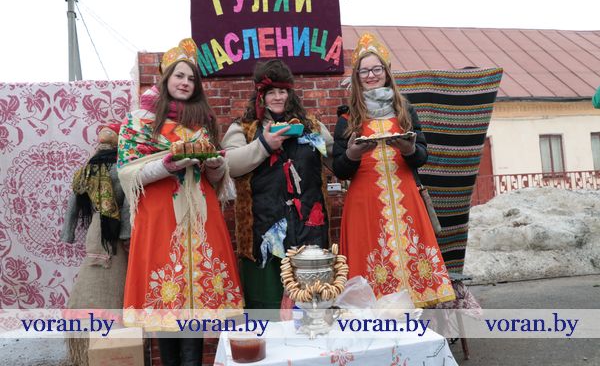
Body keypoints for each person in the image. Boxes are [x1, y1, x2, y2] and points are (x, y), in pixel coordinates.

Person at [117, 38, 243, 366]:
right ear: (165, 79)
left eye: (191, 78)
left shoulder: (202, 122)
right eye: (179, 76)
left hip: (200, 218)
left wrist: (216, 166)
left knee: (195, 299)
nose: (185, 82)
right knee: (166, 298)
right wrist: (168, 165)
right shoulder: (139, 121)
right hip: (161, 218)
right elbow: (127, 172)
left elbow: (214, 178)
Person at [332, 33, 455, 308]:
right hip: (365, 204)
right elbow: (340, 169)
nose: (371, 75)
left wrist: (409, 149)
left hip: (406, 200)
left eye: (376, 69)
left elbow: (422, 156)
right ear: (357, 77)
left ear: (387, 72)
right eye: (364, 71)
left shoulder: (405, 111)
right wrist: (352, 154)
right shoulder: (347, 118)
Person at [221, 59, 333, 309]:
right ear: (260, 95)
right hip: (262, 234)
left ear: (290, 93)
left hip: (309, 232)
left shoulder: (312, 125)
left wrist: (353, 152)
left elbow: (335, 156)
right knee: (267, 309)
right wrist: (264, 145)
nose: (278, 97)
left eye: (282, 91)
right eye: (271, 92)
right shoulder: (244, 128)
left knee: (310, 306)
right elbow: (230, 164)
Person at [61, 123, 130, 366]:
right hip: (113, 234)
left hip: (96, 231)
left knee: (96, 279)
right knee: (117, 285)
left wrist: (68, 234)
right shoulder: (123, 169)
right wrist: (127, 236)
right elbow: (127, 206)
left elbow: (72, 206)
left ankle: (92, 347)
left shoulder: (86, 170)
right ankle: (115, 347)